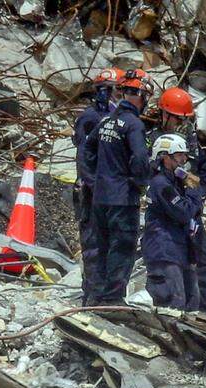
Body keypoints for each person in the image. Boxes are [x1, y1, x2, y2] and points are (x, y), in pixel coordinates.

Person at [82, 68, 153, 305]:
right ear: (141, 96)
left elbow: (86, 150)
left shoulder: (106, 122)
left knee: (100, 248)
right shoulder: (133, 125)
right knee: (121, 249)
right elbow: (141, 159)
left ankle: (95, 298)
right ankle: (112, 300)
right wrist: (139, 182)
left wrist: (95, 178)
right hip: (122, 199)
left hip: (99, 198)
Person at [151, 87, 206, 314]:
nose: (180, 124)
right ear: (165, 115)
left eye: (184, 120)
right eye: (177, 119)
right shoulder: (157, 142)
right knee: (172, 267)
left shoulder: (191, 144)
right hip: (170, 212)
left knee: (204, 263)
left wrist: (197, 194)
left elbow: (203, 173)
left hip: (190, 210)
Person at [73, 67, 119, 306]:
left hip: (108, 191)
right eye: (112, 91)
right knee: (94, 245)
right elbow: (84, 156)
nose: (115, 97)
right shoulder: (91, 118)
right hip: (91, 192)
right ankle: (93, 299)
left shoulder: (115, 120)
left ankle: (104, 297)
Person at [142, 134, 202, 311]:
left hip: (178, 249)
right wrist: (193, 192)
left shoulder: (175, 183)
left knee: (192, 302)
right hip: (164, 250)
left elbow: (194, 211)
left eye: (184, 155)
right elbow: (183, 212)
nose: (183, 160)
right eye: (179, 156)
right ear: (165, 157)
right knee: (173, 304)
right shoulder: (161, 184)